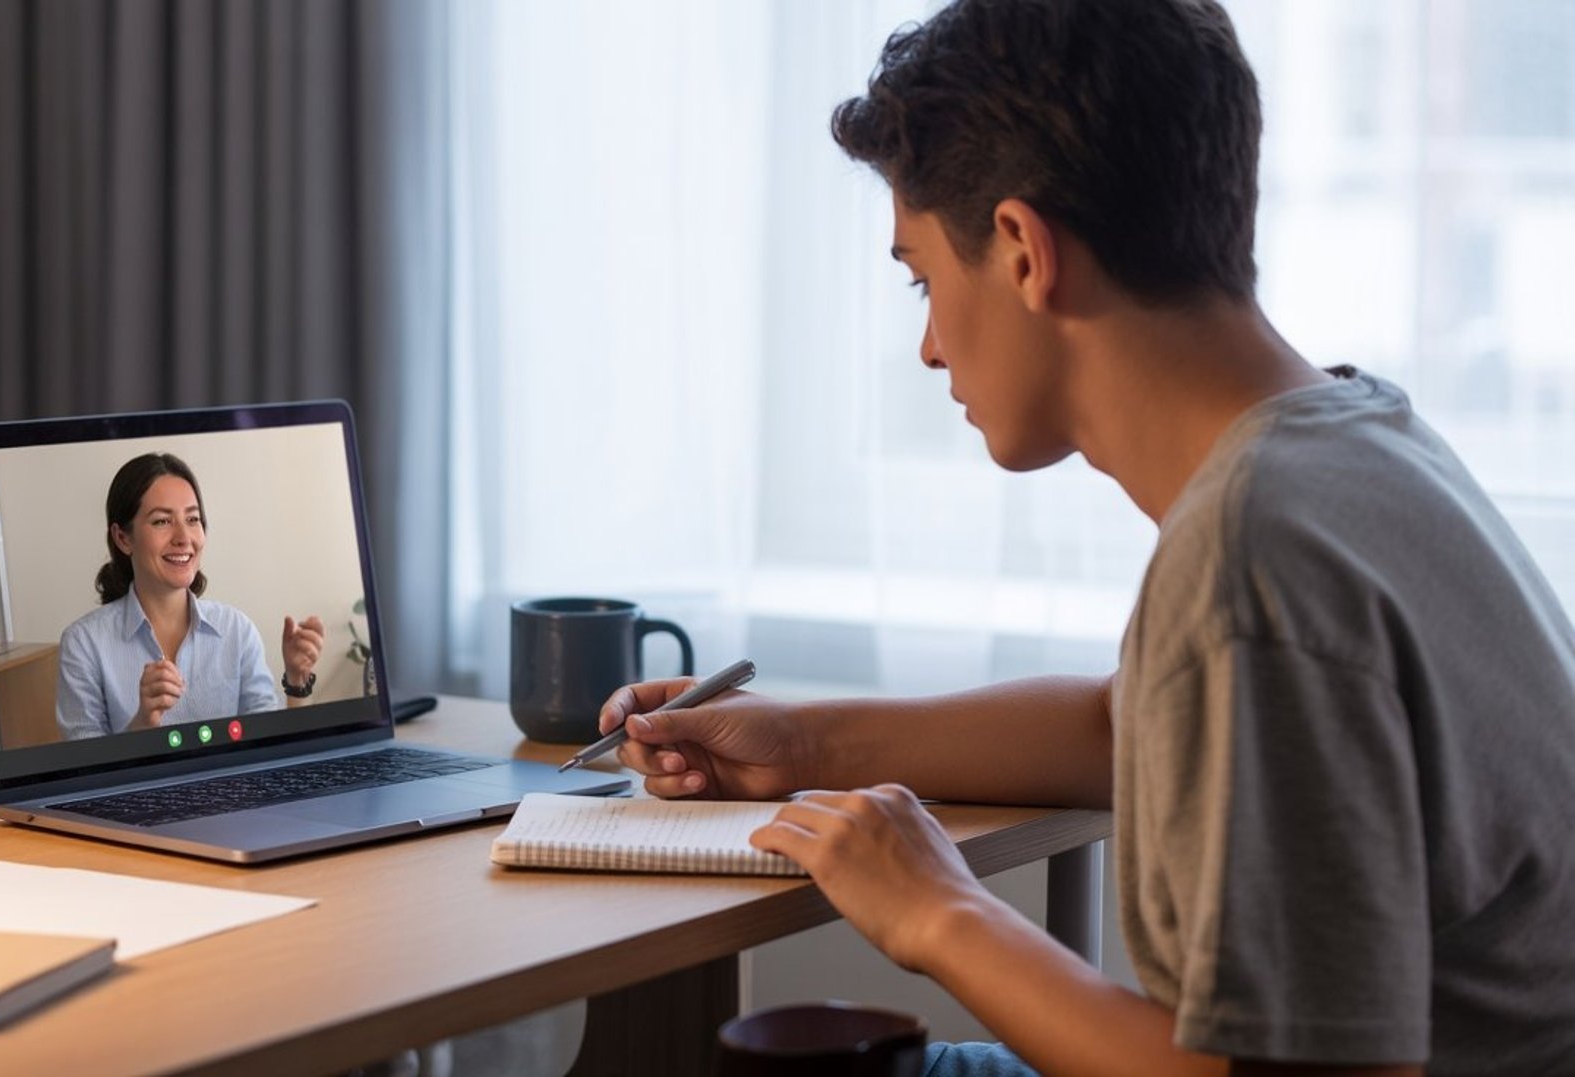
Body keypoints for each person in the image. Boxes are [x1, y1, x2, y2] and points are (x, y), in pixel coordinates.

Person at [600, 2, 1575, 1073]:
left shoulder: (1254, 560)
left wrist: (940, 915)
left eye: (924, 279)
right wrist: (802, 745)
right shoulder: (1357, 439)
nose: (928, 347)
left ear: (1024, 251)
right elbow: (1131, 725)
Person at [56, 452, 326, 740]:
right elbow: (85, 762)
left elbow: (269, 746)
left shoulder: (237, 629)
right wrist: (142, 725)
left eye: (193, 519)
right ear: (123, 538)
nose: (184, 538)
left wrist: (297, 681)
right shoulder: (83, 644)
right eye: (162, 521)